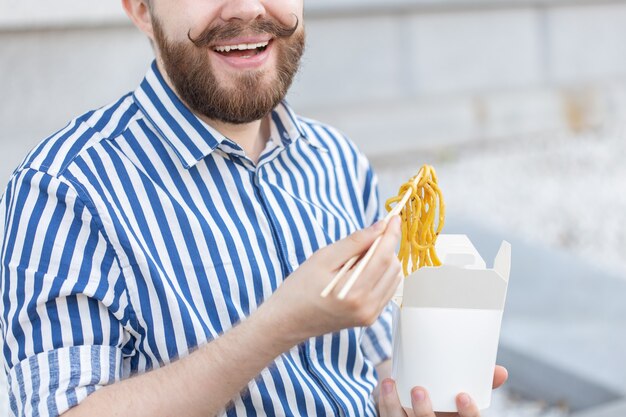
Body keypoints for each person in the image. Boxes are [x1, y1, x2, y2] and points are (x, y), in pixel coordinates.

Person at [0, 1, 507, 416]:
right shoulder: (63, 190)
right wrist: (277, 326)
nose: (246, 8)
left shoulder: (337, 159)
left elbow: (370, 367)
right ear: (139, 8)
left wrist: (411, 393)